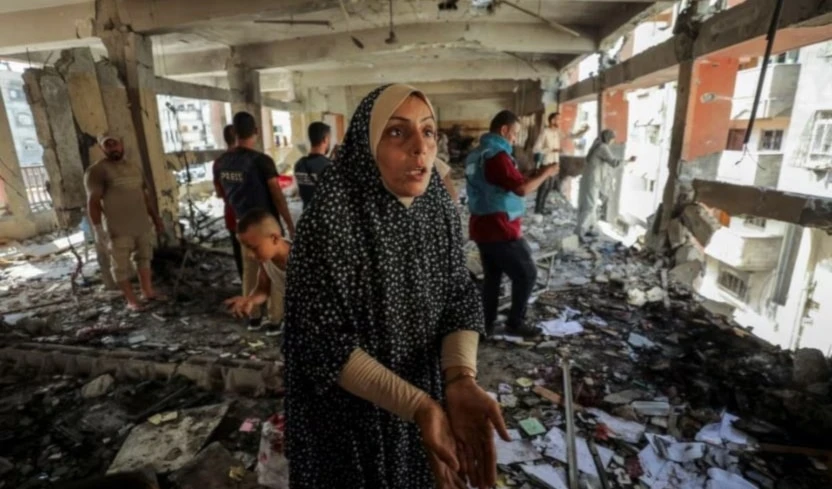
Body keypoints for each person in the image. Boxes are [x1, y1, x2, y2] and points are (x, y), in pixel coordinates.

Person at [284, 84, 509, 489]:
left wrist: (460, 378)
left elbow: (457, 293)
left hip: (421, 403)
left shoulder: (435, 205)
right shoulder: (332, 219)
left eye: (427, 132)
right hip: (352, 419)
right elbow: (322, 344)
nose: (419, 149)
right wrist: (418, 406)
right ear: (366, 144)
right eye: (396, 132)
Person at [466, 110, 560, 337]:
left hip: (481, 225)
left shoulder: (477, 154)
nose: (515, 139)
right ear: (504, 130)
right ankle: (514, 323)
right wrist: (545, 173)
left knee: (493, 278)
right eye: (515, 134)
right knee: (527, 274)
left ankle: (485, 325)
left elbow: (501, 179)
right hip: (500, 227)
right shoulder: (497, 156)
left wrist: (529, 173)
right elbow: (521, 189)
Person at [214, 111, 295, 333]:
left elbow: (220, 193)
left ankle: (254, 317)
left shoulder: (221, 162)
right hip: (264, 224)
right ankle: (275, 319)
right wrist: (288, 222)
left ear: (234, 132)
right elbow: (276, 194)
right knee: (271, 267)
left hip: (241, 224)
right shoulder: (261, 161)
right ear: (256, 132)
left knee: (252, 270)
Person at [85, 134, 165, 311]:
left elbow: (144, 196)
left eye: (115, 144)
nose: (113, 148)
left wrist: (155, 218)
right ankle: (132, 301)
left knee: (144, 258)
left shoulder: (133, 167)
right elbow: (93, 201)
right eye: (108, 145)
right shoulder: (97, 171)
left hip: (141, 224)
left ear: (122, 145)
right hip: (118, 228)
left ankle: (147, 291)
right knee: (121, 266)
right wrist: (98, 230)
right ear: (102, 148)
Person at [223, 209, 290, 336]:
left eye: (253, 248)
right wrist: (250, 300)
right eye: (246, 248)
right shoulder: (266, 259)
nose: (250, 254)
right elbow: (263, 288)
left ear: (274, 238)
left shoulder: (301, 259)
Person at [575, 129, 635, 238]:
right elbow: (614, 163)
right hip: (592, 180)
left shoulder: (596, 144)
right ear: (609, 138)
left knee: (588, 205)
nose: (612, 142)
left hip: (588, 179)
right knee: (590, 206)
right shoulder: (603, 147)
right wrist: (628, 161)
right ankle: (580, 232)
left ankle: (590, 228)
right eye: (612, 139)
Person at [532, 112, 589, 213]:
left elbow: (570, 136)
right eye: (557, 119)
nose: (559, 121)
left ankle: (542, 208)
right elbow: (535, 149)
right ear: (552, 120)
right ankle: (538, 209)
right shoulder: (545, 132)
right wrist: (552, 150)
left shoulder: (557, 131)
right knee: (544, 186)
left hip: (555, 163)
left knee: (549, 187)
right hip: (547, 162)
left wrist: (582, 131)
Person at [212, 125, 243, 278]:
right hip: (251, 217)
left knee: (239, 256)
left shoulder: (219, 163)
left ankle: (246, 286)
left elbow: (218, 192)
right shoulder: (249, 159)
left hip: (231, 215)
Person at [293, 121, 333, 208]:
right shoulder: (328, 166)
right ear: (325, 139)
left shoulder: (299, 164)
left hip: (307, 216)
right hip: (324, 217)